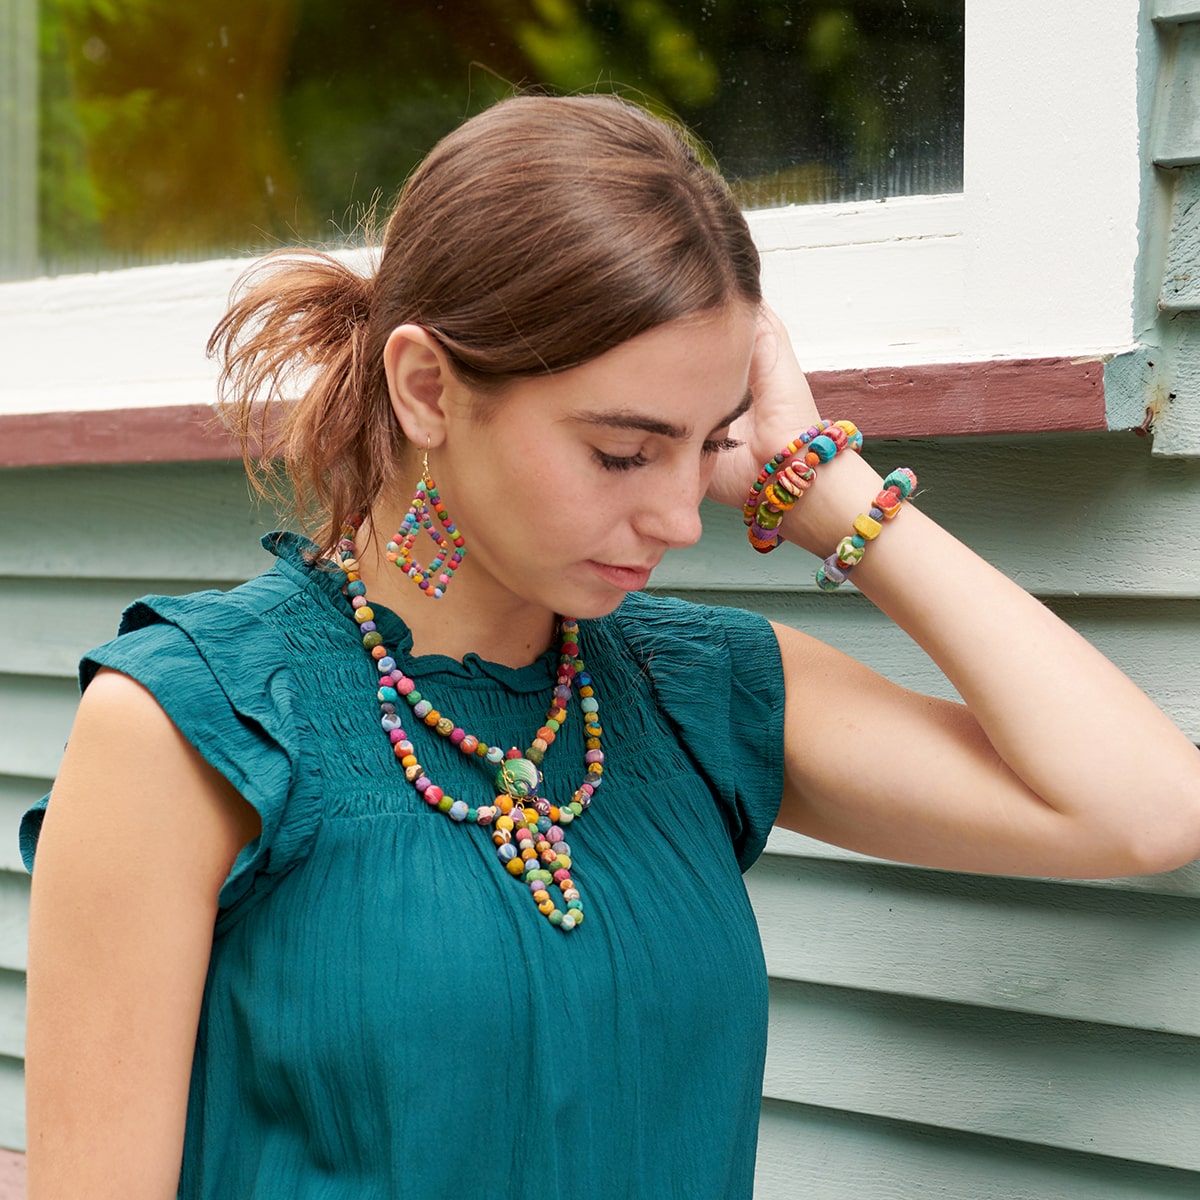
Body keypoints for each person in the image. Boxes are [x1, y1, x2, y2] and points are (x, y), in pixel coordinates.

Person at [21, 94, 1200, 1200]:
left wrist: (820, 488)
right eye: (624, 453)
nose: (684, 518)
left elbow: (1140, 809)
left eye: (705, 445)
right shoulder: (202, 726)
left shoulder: (700, 693)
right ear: (427, 387)